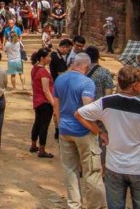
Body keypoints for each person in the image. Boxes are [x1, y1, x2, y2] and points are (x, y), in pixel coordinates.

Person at [77, 66, 140, 209]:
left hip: (114, 166)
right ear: (135, 85)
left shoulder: (106, 102)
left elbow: (80, 114)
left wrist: (100, 132)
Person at [54, 52, 105, 209]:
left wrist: (58, 125)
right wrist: (98, 130)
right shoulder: (87, 83)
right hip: (84, 131)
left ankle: (74, 204)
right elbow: (87, 109)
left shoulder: (60, 79)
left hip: (65, 129)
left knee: (70, 169)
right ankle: (95, 206)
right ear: (86, 66)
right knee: (92, 171)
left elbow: (56, 106)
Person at [30, 48, 56, 158]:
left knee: (37, 122)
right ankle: (42, 149)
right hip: (45, 102)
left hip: (37, 100)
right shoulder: (43, 72)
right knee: (44, 125)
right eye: (48, 57)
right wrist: (53, 103)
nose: (50, 59)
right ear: (42, 58)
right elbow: (46, 90)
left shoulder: (34, 69)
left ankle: (33, 144)